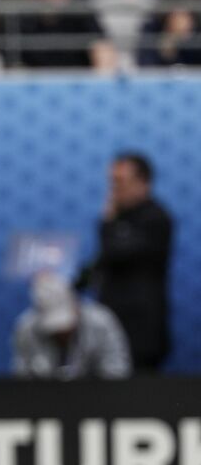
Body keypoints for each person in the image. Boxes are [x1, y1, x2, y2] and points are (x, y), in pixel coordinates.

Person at [80, 152, 173, 371]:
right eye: (111, 181)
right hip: (109, 326)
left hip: (141, 332)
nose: (113, 189)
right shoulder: (118, 220)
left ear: (143, 183)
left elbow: (118, 253)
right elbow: (102, 262)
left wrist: (107, 223)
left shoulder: (157, 219)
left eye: (120, 181)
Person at [12, 271, 130, 378]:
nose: (62, 332)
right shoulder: (25, 330)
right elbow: (23, 380)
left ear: (76, 306)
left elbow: (117, 373)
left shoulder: (102, 323)